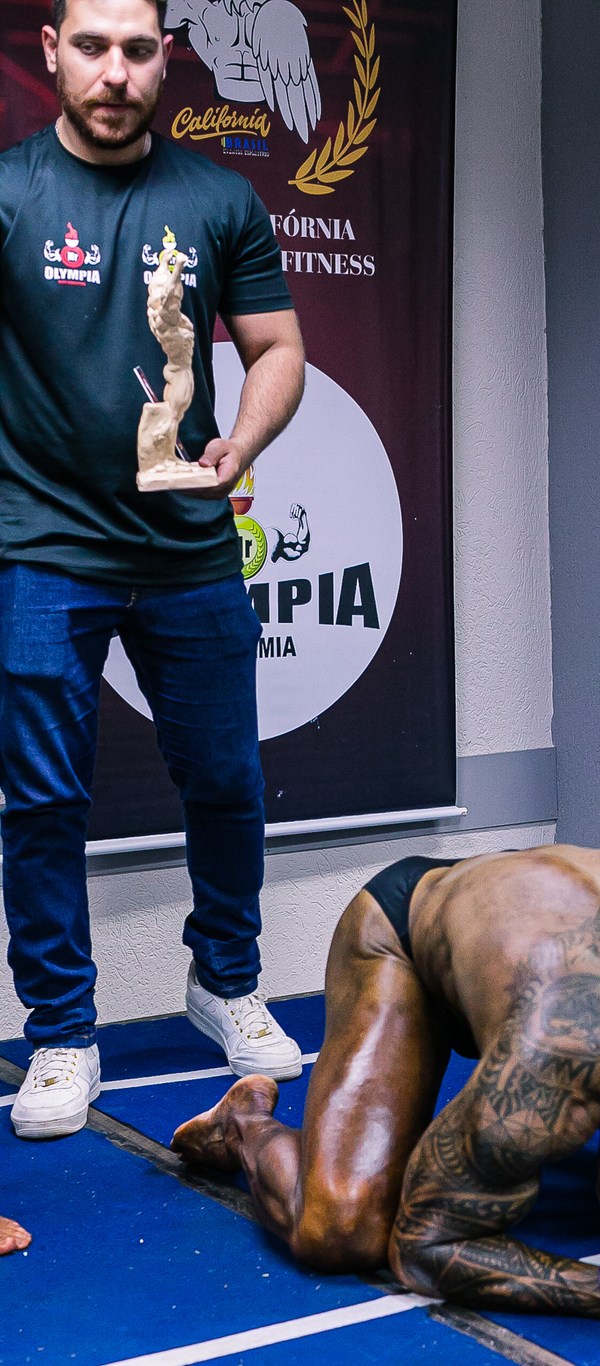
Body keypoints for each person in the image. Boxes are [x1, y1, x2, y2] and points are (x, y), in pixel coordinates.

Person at [1, 0, 306, 1140]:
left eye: (137, 50)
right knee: (42, 801)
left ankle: (225, 981)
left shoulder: (219, 199)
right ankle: (61, 1032)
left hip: (187, 548)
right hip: (43, 548)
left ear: (166, 58)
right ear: (52, 51)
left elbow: (276, 347)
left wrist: (243, 442)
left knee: (226, 779)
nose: (115, 73)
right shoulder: (9, 194)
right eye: (92, 47)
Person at [172, 847, 600, 1321]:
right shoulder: (556, 1066)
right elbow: (422, 1247)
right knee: (340, 1233)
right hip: (409, 929)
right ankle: (246, 1123)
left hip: (546, 924)